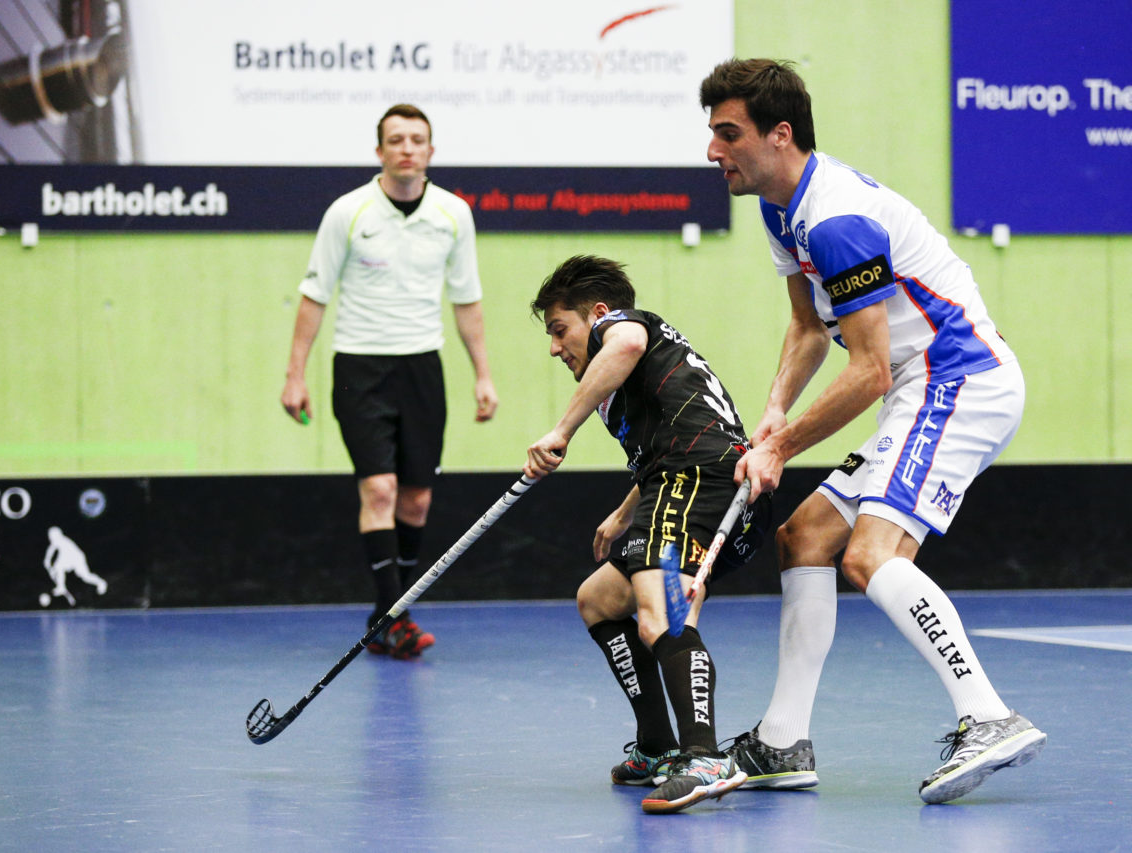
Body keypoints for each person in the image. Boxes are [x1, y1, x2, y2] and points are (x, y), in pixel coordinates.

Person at [697, 58, 1046, 804]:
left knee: (869, 553)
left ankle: (987, 715)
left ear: (779, 133)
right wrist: (773, 412)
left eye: (728, 133)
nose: (712, 151)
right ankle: (783, 740)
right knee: (805, 537)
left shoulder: (836, 220)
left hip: (957, 383)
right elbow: (806, 328)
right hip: (921, 389)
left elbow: (869, 373)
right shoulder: (780, 207)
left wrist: (778, 448)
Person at [524, 255, 772, 815]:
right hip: (694, 484)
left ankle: (704, 756)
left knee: (661, 611)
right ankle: (659, 745)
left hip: (696, 482)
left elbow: (628, 345)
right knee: (599, 600)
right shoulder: (634, 377)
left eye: (560, 330)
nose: (555, 347)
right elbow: (666, 442)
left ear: (600, 314)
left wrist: (561, 431)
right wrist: (622, 513)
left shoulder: (627, 327)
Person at [281, 104, 498, 660]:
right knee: (379, 490)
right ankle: (393, 616)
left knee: (418, 500)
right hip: (359, 368)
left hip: (422, 367)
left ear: (430, 152)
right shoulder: (348, 212)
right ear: (379, 152)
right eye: (395, 140)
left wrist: (483, 376)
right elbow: (314, 297)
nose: (406, 148)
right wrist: (294, 376)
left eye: (417, 139)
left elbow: (467, 300)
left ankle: (387, 613)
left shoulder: (453, 214)